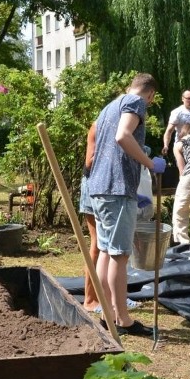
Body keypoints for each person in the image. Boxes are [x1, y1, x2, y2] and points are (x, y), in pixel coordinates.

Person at [87, 72, 166, 336]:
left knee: (107, 252)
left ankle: (107, 315)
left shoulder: (109, 106)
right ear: (151, 95)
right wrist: (149, 162)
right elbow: (123, 136)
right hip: (117, 188)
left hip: (98, 187)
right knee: (120, 255)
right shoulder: (136, 103)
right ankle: (123, 321)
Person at [79, 122, 101, 312]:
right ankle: (90, 299)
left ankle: (108, 297)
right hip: (95, 186)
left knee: (112, 249)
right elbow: (90, 161)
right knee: (98, 244)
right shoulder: (99, 125)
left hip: (109, 189)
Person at [161, 89, 190, 155]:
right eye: (189, 99)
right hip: (182, 146)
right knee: (182, 165)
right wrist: (166, 145)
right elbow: (169, 131)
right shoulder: (177, 112)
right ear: (182, 99)